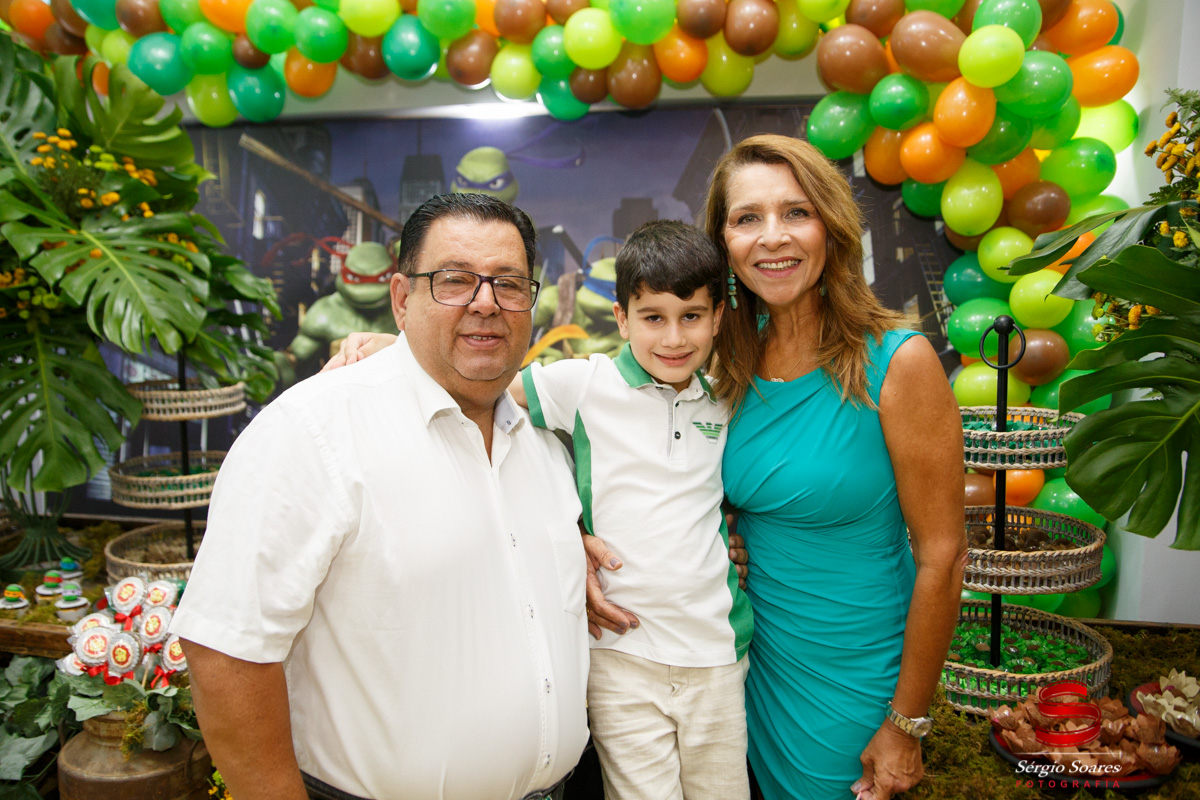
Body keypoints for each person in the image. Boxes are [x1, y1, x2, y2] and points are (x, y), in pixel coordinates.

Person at [170, 193, 590, 800]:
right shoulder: (315, 430)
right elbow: (225, 649)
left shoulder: (545, 443)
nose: (485, 303)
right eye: (454, 280)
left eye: (509, 283)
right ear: (401, 299)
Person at [591, 134, 966, 800]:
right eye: (747, 218)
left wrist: (906, 722)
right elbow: (639, 465)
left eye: (796, 212)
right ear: (723, 246)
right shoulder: (724, 360)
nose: (772, 236)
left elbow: (944, 556)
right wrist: (578, 539)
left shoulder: (897, 362)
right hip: (740, 667)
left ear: (831, 227)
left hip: (854, 675)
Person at [329, 220, 755, 800]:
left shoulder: (724, 399)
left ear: (718, 317)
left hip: (716, 651)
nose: (674, 337)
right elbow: (480, 384)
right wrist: (394, 349)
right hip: (620, 654)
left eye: (692, 316)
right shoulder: (581, 383)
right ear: (622, 318)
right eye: (653, 317)